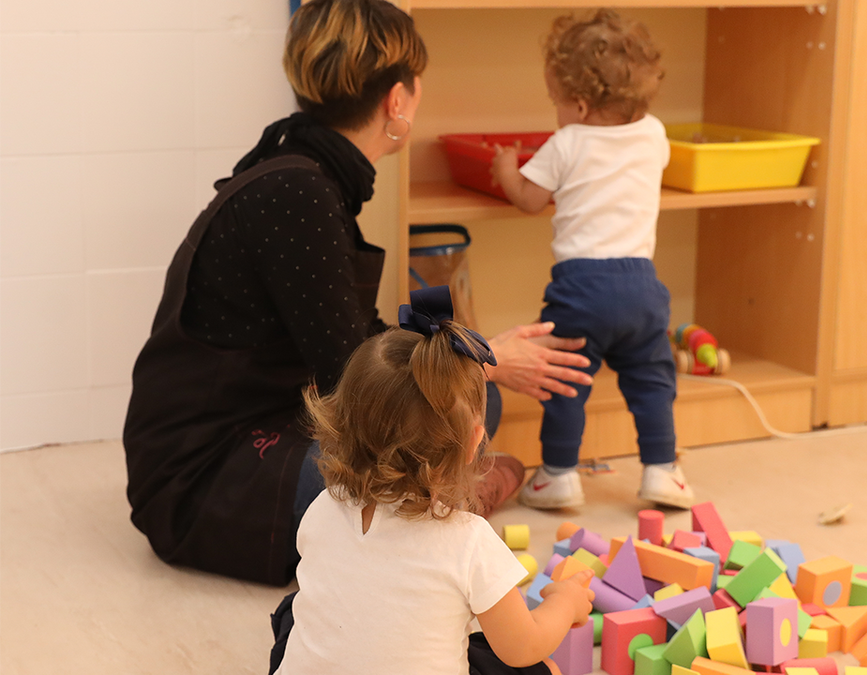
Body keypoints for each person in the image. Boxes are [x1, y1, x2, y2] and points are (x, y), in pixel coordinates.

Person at [122, 0, 592, 587]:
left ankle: (448, 495)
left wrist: (472, 355)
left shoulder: (305, 170)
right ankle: (454, 502)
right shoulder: (300, 192)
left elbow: (356, 336)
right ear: (397, 101)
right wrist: (486, 358)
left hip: (275, 414)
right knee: (451, 412)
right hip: (207, 474)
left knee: (466, 406)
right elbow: (354, 370)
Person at [269, 291, 595, 675]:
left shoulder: (322, 506)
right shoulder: (469, 540)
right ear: (475, 441)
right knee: (539, 668)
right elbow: (523, 647)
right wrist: (565, 601)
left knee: (292, 612)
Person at [490, 10, 693, 510]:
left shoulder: (567, 142)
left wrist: (504, 168)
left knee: (566, 380)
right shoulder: (655, 135)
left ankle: (558, 476)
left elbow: (530, 199)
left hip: (582, 289)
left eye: (556, 101)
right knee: (652, 380)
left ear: (578, 104)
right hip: (643, 288)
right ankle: (663, 471)